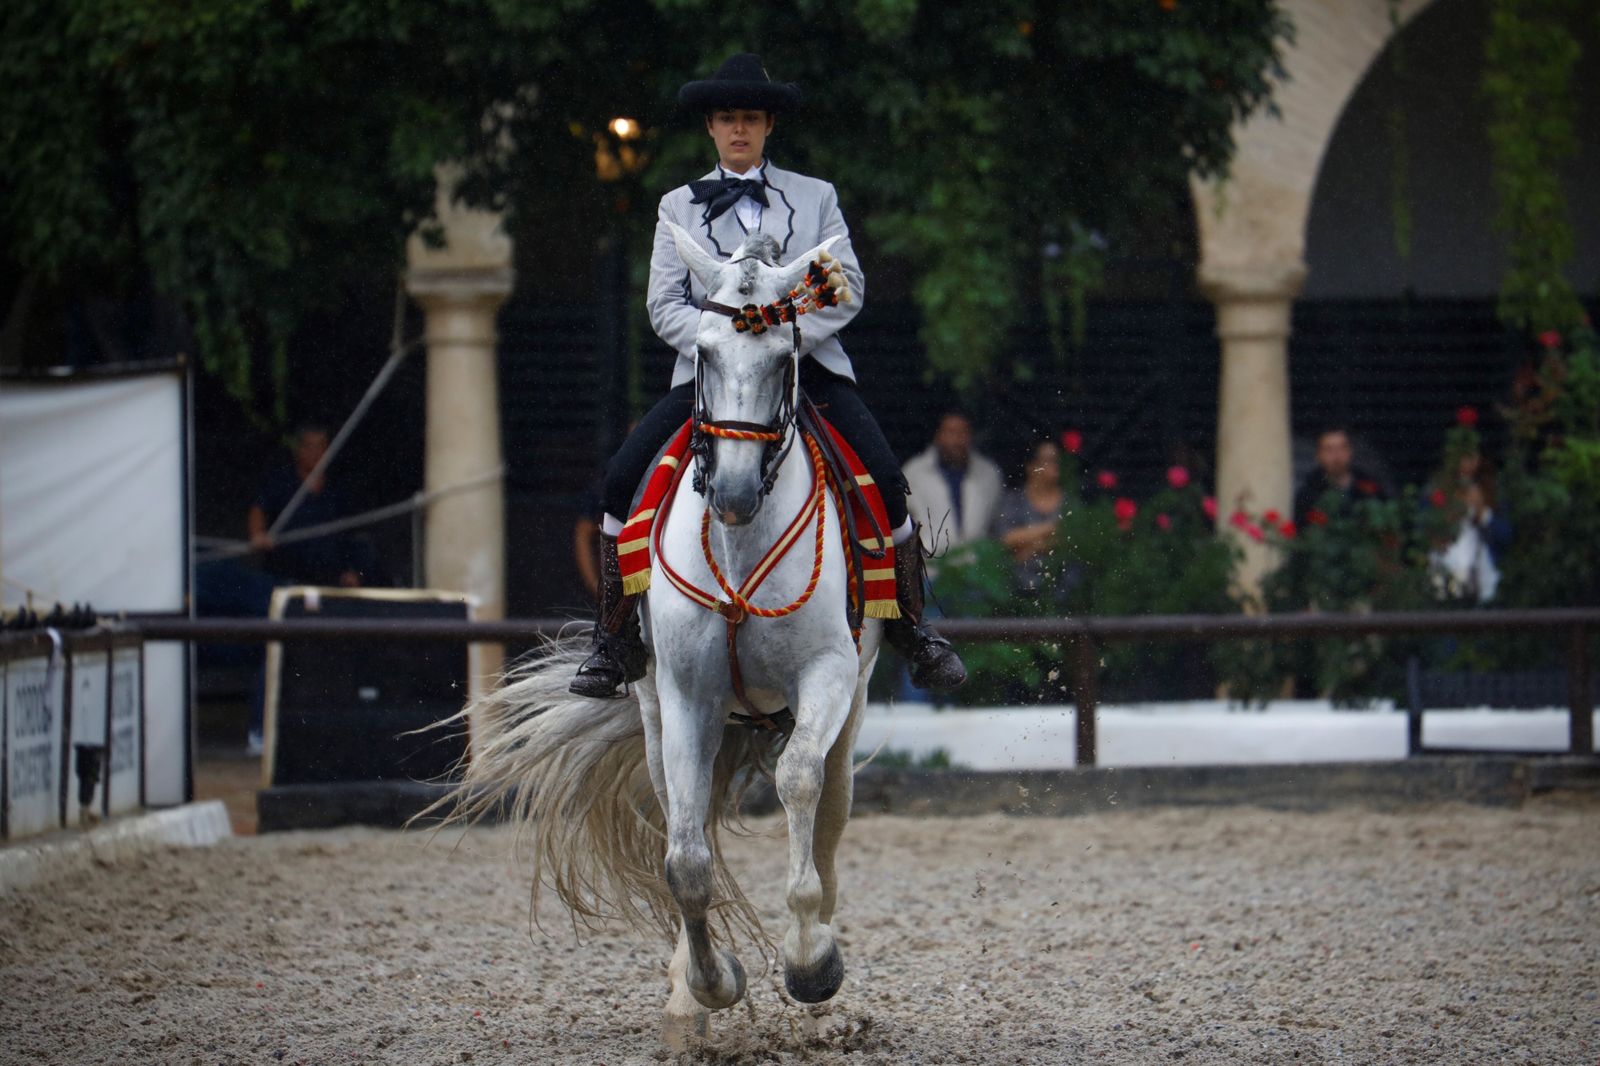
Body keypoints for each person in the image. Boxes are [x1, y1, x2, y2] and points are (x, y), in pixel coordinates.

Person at [569, 54, 965, 698]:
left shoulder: (816, 197)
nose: (739, 129)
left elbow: (846, 286)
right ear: (710, 126)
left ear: (768, 125)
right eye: (727, 118)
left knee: (886, 479)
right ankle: (613, 639)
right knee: (621, 480)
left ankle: (914, 629)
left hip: (807, 369)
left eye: (750, 118)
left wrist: (782, 338)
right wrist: (726, 346)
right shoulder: (677, 206)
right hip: (710, 380)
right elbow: (663, 305)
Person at [249, 425, 372, 588]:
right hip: (287, 577)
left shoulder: (338, 488)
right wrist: (257, 533)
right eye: (309, 446)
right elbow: (259, 508)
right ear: (298, 449)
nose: (315, 453)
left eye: (321, 446)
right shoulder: (281, 481)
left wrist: (354, 570)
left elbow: (354, 534)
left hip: (330, 579)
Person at [901, 409, 1004, 554]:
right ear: (938, 436)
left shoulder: (989, 473)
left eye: (963, 432)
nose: (957, 439)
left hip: (977, 561)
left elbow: (997, 522)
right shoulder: (914, 472)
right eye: (951, 432)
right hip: (930, 561)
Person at [1425, 447, 1511, 603]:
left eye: (1472, 456)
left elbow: (1505, 537)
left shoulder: (1490, 489)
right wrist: (1448, 516)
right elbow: (1423, 532)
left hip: (1482, 580)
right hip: (1445, 574)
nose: (1467, 462)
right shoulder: (1436, 490)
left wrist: (1481, 513)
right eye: (1462, 456)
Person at [993, 438, 1069, 593]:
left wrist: (1031, 547)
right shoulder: (1013, 500)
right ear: (1031, 467)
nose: (1055, 465)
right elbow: (1006, 538)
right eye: (1048, 460)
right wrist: (1052, 528)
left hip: (1063, 587)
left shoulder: (1069, 501)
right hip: (1018, 587)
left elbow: (1071, 538)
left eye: (1057, 460)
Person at [1292, 425, 1387, 525]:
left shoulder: (1370, 486)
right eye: (1329, 449)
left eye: (1342, 447)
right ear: (1318, 455)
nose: (1337, 456)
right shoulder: (1308, 494)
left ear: (1350, 451)